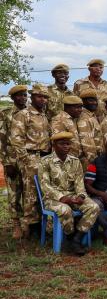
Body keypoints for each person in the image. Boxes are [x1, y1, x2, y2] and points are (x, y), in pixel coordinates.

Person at [39, 132, 100, 255]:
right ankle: (70, 236)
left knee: (93, 207)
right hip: (52, 198)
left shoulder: (75, 161)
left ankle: (76, 240)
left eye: (68, 144)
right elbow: (45, 186)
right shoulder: (45, 162)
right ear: (54, 145)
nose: (66, 146)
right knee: (65, 210)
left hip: (73, 196)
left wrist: (81, 196)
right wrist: (63, 198)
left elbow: (79, 184)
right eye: (62, 144)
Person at [9, 84, 51, 237]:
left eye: (45, 97)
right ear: (32, 97)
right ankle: (29, 226)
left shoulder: (44, 115)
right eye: (39, 96)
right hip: (31, 157)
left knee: (42, 191)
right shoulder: (24, 114)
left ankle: (40, 224)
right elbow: (16, 139)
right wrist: (25, 159)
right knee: (30, 193)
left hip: (44, 157)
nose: (43, 99)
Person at [0, 85, 28, 238]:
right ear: (12, 98)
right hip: (12, 159)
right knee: (14, 193)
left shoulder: (33, 112)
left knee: (29, 192)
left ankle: (29, 224)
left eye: (25, 95)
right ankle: (16, 224)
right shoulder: (6, 114)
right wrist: (6, 163)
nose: (23, 98)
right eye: (19, 95)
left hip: (28, 159)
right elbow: (2, 140)